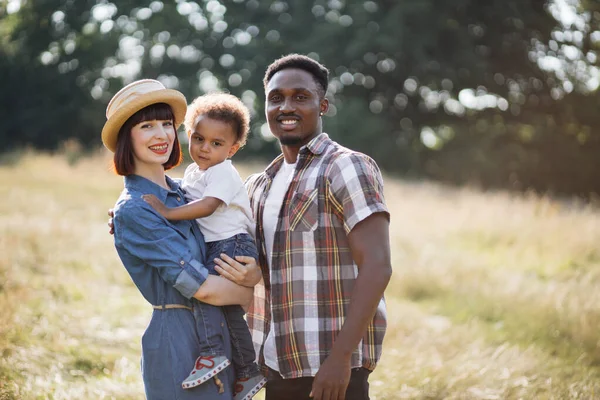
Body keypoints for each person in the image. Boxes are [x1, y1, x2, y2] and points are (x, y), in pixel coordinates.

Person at [244, 54, 392, 400]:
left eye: (300, 97)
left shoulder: (346, 167)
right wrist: (140, 211)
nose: (286, 107)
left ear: (322, 105)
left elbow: (378, 265)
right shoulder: (259, 185)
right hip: (277, 363)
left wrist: (340, 359)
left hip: (333, 370)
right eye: (276, 98)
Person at [102, 79, 261, 400]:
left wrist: (255, 272)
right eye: (146, 126)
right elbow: (204, 288)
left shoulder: (182, 192)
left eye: (167, 124)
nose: (161, 135)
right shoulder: (134, 208)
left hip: (219, 334)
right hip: (179, 339)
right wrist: (249, 290)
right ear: (126, 138)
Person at [141, 92, 267, 399]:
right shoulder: (198, 171)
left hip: (232, 244)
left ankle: (213, 353)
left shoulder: (223, 172)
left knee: (204, 293)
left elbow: (208, 205)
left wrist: (168, 213)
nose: (205, 149)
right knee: (229, 312)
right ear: (189, 135)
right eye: (198, 139)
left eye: (216, 143)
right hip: (218, 245)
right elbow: (178, 191)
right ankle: (249, 371)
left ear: (233, 148)